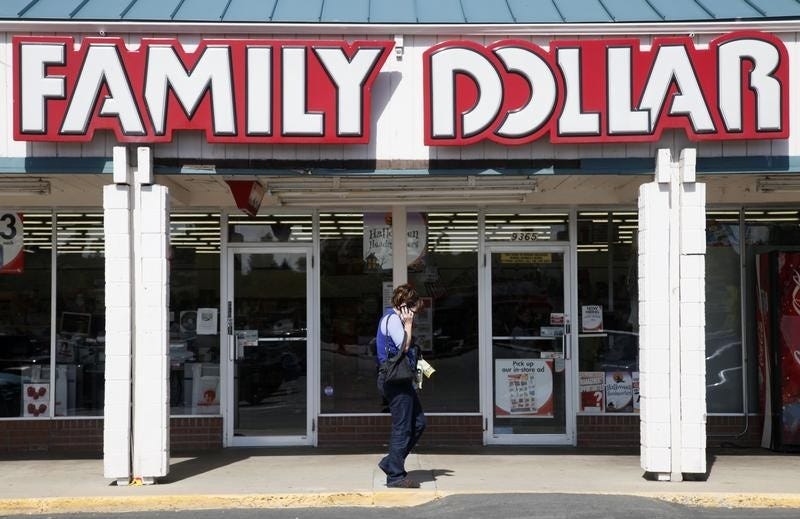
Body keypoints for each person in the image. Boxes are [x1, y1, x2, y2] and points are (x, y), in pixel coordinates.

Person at [375, 283, 426, 489]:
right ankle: (395, 475)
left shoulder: (393, 319)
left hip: (401, 379)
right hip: (395, 381)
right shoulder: (393, 320)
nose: (415, 315)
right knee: (402, 427)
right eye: (414, 311)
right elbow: (403, 347)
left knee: (419, 423)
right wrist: (408, 324)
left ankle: (391, 462)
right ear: (405, 306)